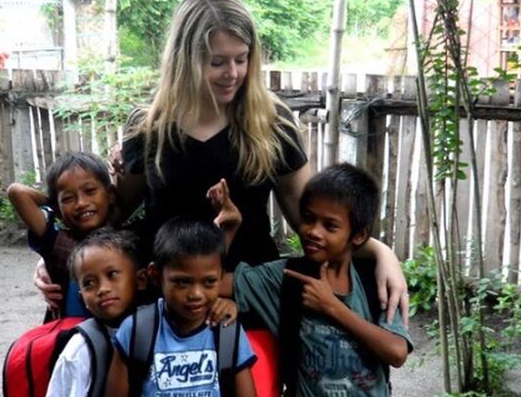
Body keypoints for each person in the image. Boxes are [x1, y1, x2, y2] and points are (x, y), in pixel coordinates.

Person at [112, 0, 409, 323]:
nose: (233, 73)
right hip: (166, 301)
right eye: (217, 62)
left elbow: (308, 220)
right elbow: (115, 213)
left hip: (248, 299)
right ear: (185, 60)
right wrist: (60, 258)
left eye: (242, 58)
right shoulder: (149, 127)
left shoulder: (272, 121)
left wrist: (381, 252)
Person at [221, 164, 413, 396]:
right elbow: (213, 283)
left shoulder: (376, 280)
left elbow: (397, 352)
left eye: (330, 226)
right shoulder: (285, 278)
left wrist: (331, 306)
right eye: (308, 219)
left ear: (359, 235)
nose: (313, 231)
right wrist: (227, 234)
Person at [105, 217, 257, 397]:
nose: (196, 294)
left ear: (221, 276)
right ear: (155, 275)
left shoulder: (228, 332)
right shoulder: (136, 329)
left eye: (209, 282)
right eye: (182, 282)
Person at [9, 151, 116, 318]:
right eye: (68, 199)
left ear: (110, 195)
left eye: (90, 191)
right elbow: (16, 192)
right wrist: (56, 206)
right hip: (70, 337)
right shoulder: (57, 241)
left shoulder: (125, 236)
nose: (81, 203)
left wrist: (62, 203)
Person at [46, 228, 147, 397]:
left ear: (141, 280)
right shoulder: (79, 350)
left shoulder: (160, 331)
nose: (102, 289)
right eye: (89, 283)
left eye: (112, 274)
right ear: (81, 298)